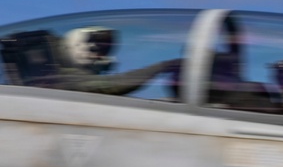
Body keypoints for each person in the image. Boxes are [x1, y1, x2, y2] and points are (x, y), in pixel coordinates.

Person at [40, 26, 179, 96]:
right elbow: (112, 85)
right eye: (98, 50)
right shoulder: (61, 75)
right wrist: (162, 67)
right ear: (77, 45)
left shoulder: (55, 70)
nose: (101, 57)